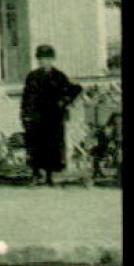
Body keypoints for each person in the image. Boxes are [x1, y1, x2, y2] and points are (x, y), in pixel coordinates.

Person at [21, 44, 83, 186]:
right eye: (41, 59)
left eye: (47, 59)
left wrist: (65, 101)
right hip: (36, 117)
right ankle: (35, 174)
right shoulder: (33, 77)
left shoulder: (58, 76)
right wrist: (25, 115)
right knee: (35, 146)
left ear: (52, 59)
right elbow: (26, 98)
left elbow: (74, 89)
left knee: (53, 146)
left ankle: (50, 176)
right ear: (38, 60)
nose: (44, 62)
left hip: (53, 117)